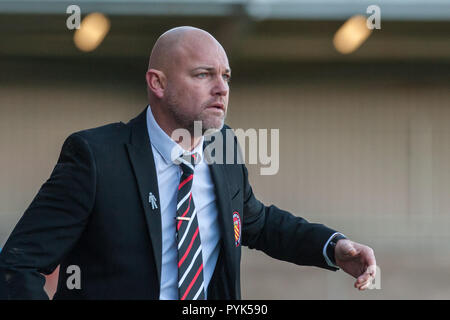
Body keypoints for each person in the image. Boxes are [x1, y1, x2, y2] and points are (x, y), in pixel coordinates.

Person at [0, 26, 376, 300]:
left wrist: (333, 246)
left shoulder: (224, 147)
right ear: (157, 83)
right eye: (203, 75)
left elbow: (258, 223)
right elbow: (17, 265)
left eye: (225, 76)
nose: (222, 88)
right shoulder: (95, 156)